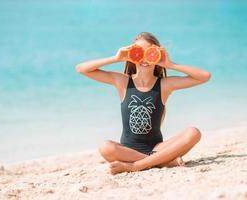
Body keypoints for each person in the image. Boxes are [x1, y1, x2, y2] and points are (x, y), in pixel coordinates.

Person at [75, 32, 211, 175]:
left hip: (159, 148)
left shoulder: (164, 85)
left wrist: (171, 64)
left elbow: (204, 76)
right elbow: (81, 69)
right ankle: (162, 162)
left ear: (157, 54)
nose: (144, 58)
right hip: (128, 151)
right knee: (106, 147)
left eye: (150, 52)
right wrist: (115, 58)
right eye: (138, 52)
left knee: (193, 133)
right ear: (131, 55)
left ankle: (137, 165)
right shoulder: (123, 81)